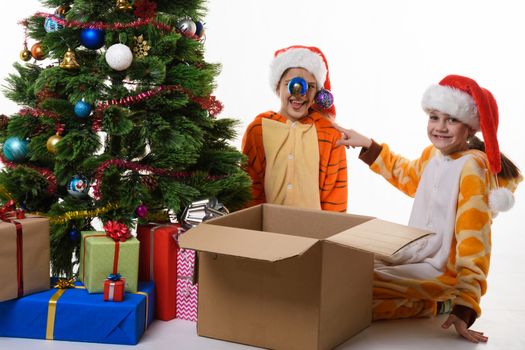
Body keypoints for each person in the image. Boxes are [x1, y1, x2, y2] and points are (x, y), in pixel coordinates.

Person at [333, 75, 522, 342]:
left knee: (356, 292)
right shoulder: (432, 156)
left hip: (441, 271)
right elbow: (407, 175)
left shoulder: (472, 168)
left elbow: (474, 241)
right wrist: (368, 146)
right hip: (412, 253)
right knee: (347, 268)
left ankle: (437, 303)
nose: (441, 127)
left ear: (469, 128)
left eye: (452, 120)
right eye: (434, 117)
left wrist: (466, 304)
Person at [241, 45, 347, 212]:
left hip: (313, 232)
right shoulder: (258, 130)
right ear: (278, 87)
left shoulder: (329, 135)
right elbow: (249, 190)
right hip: (268, 232)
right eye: (291, 84)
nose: (299, 94)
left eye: (309, 86)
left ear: (318, 93)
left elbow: (335, 199)